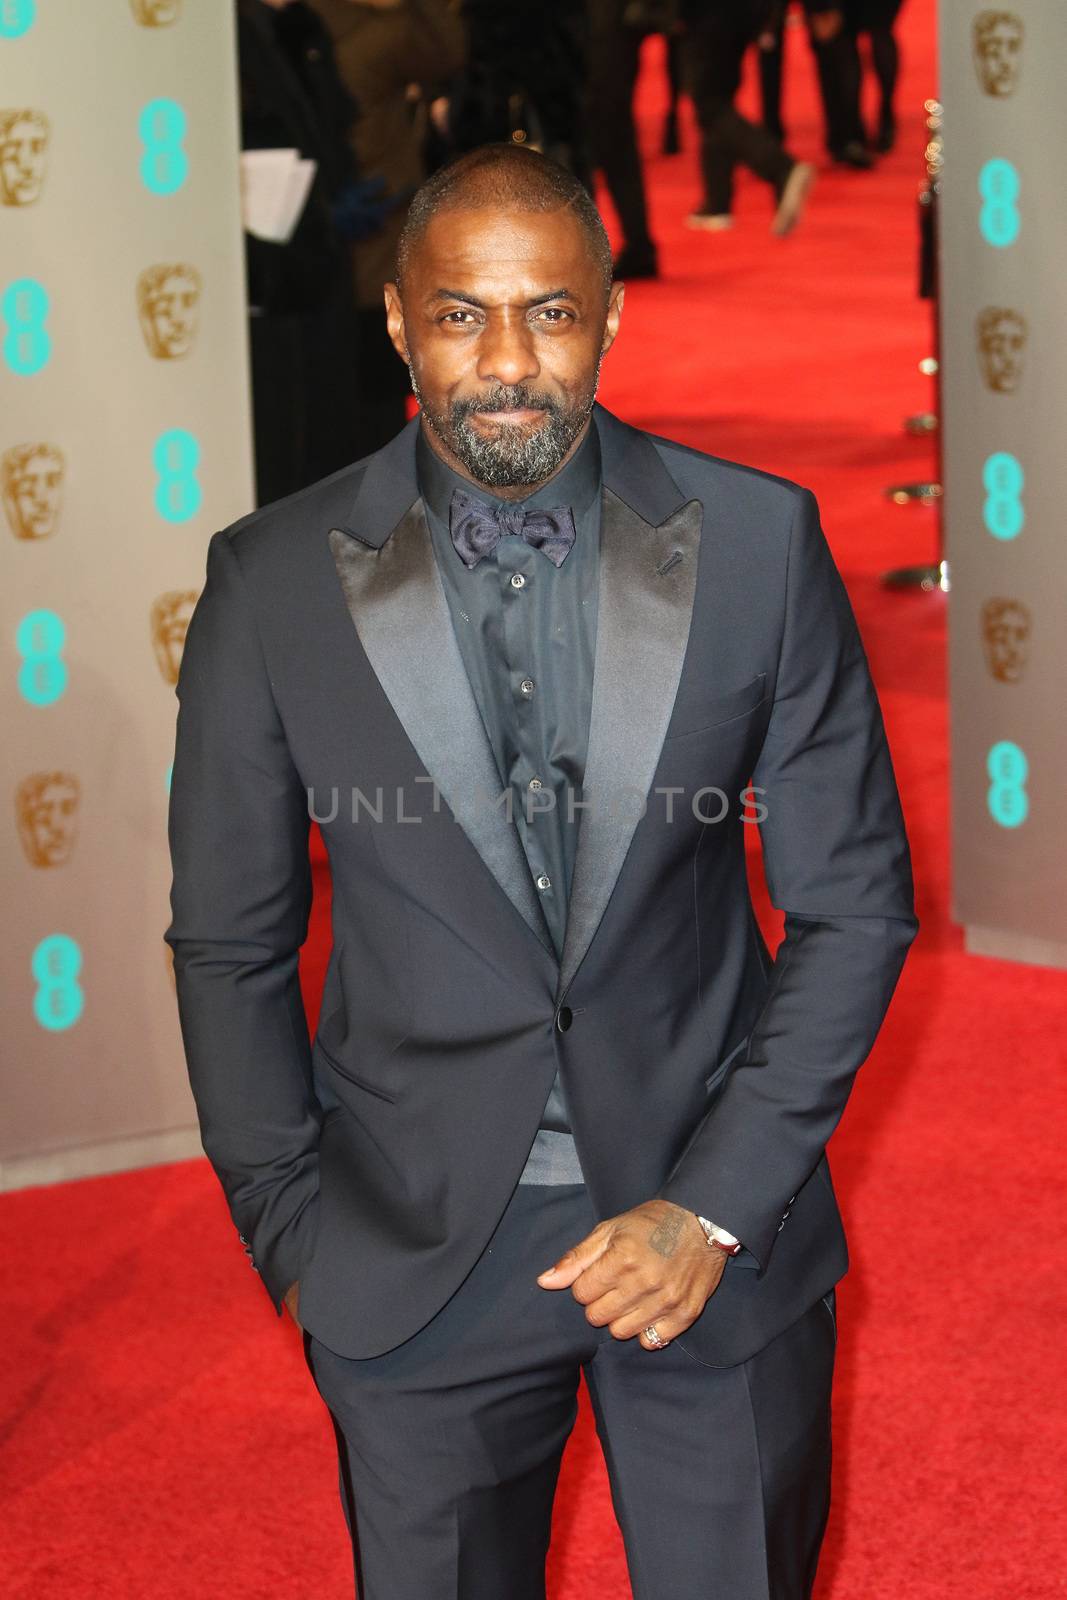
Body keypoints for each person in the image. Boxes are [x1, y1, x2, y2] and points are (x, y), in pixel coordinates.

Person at [166, 143, 917, 1598]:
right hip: (413, 1255)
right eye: (460, 316)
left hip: (714, 1230)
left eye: (548, 314)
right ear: (396, 319)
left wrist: (713, 1204)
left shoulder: (757, 542)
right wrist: (293, 1234)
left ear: (609, 312)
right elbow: (229, 944)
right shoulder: (270, 585)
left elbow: (849, 901)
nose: (507, 362)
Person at [310, 0, 466, 456]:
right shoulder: (381, 32)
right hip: (374, 224)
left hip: (343, 227)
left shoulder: (296, 26)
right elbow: (447, 51)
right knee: (372, 406)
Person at [681, 0, 817, 232]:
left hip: (711, 13)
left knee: (710, 103)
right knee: (719, 97)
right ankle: (717, 202)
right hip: (746, 11)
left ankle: (781, 168)